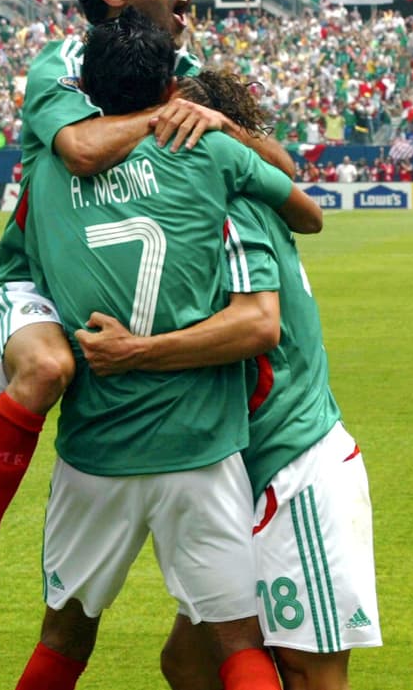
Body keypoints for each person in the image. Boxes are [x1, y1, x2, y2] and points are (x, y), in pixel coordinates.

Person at [0, 0, 297, 651]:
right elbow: (82, 149)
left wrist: (214, 120)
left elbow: (279, 169)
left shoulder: (186, 77)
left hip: (122, 319)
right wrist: (171, 112)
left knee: (82, 629)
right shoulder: (61, 62)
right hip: (31, 278)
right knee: (52, 366)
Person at [8, 9, 320, 690]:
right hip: (201, 446)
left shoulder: (47, 173)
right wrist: (214, 130)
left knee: (63, 636)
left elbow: (3, 268)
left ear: (85, 88)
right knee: (236, 639)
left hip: (97, 447)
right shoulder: (212, 151)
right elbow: (308, 210)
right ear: (169, 87)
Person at [77, 67, 380, 690]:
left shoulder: (233, 206)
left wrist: (136, 353)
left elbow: (257, 326)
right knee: (189, 663)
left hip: (292, 464)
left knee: (308, 672)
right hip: (227, 467)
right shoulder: (200, 199)